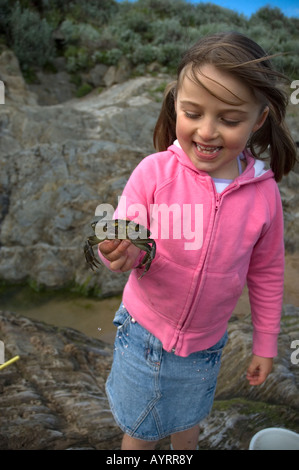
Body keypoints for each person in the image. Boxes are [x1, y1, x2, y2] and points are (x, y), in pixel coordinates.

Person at [98, 32, 297, 450]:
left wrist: (265, 343)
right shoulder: (153, 173)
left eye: (229, 120)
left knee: (188, 425)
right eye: (193, 113)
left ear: (259, 120)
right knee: (139, 432)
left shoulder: (264, 195)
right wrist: (124, 250)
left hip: (206, 345)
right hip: (142, 333)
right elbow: (125, 230)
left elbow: (266, 273)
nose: (207, 132)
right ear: (176, 107)